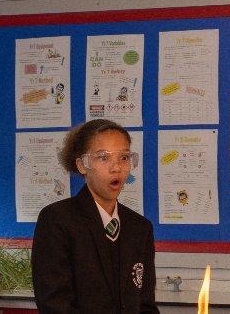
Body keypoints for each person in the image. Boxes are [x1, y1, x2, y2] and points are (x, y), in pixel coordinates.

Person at [32, 119, 158, 314]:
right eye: (103, 158)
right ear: (82, 165)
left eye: (124, 157)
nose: (116, 168)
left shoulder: (140, 228)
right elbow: (55, 305)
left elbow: (146, 305)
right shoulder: (58, 220)